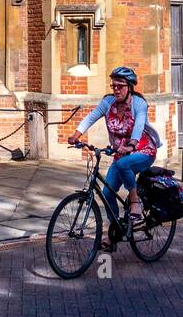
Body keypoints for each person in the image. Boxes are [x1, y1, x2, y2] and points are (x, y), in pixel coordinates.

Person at [68, 66, 159, 249]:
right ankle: (114, 233)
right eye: (113, 86)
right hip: (121, 153)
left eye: (120, 86)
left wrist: (132, 144)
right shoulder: (108, 103)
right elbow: (91, 117)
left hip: (143, 150)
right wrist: (76, 135)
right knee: (108, 192)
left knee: (124, 164)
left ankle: (135, 203)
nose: (116, 89)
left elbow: (139, 125)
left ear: (130, 87)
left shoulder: (138, 104)